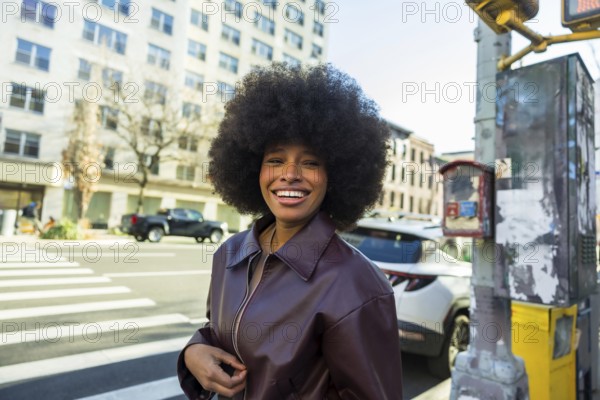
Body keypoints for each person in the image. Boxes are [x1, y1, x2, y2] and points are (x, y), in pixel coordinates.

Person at [177, 64, 403, 399]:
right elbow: (220, 334)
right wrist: (193, 352)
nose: (290, 174)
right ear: (253, 168)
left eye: (310, 163)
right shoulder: (230, 253)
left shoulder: (355, 284)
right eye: (275, 160)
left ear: (335, 176)